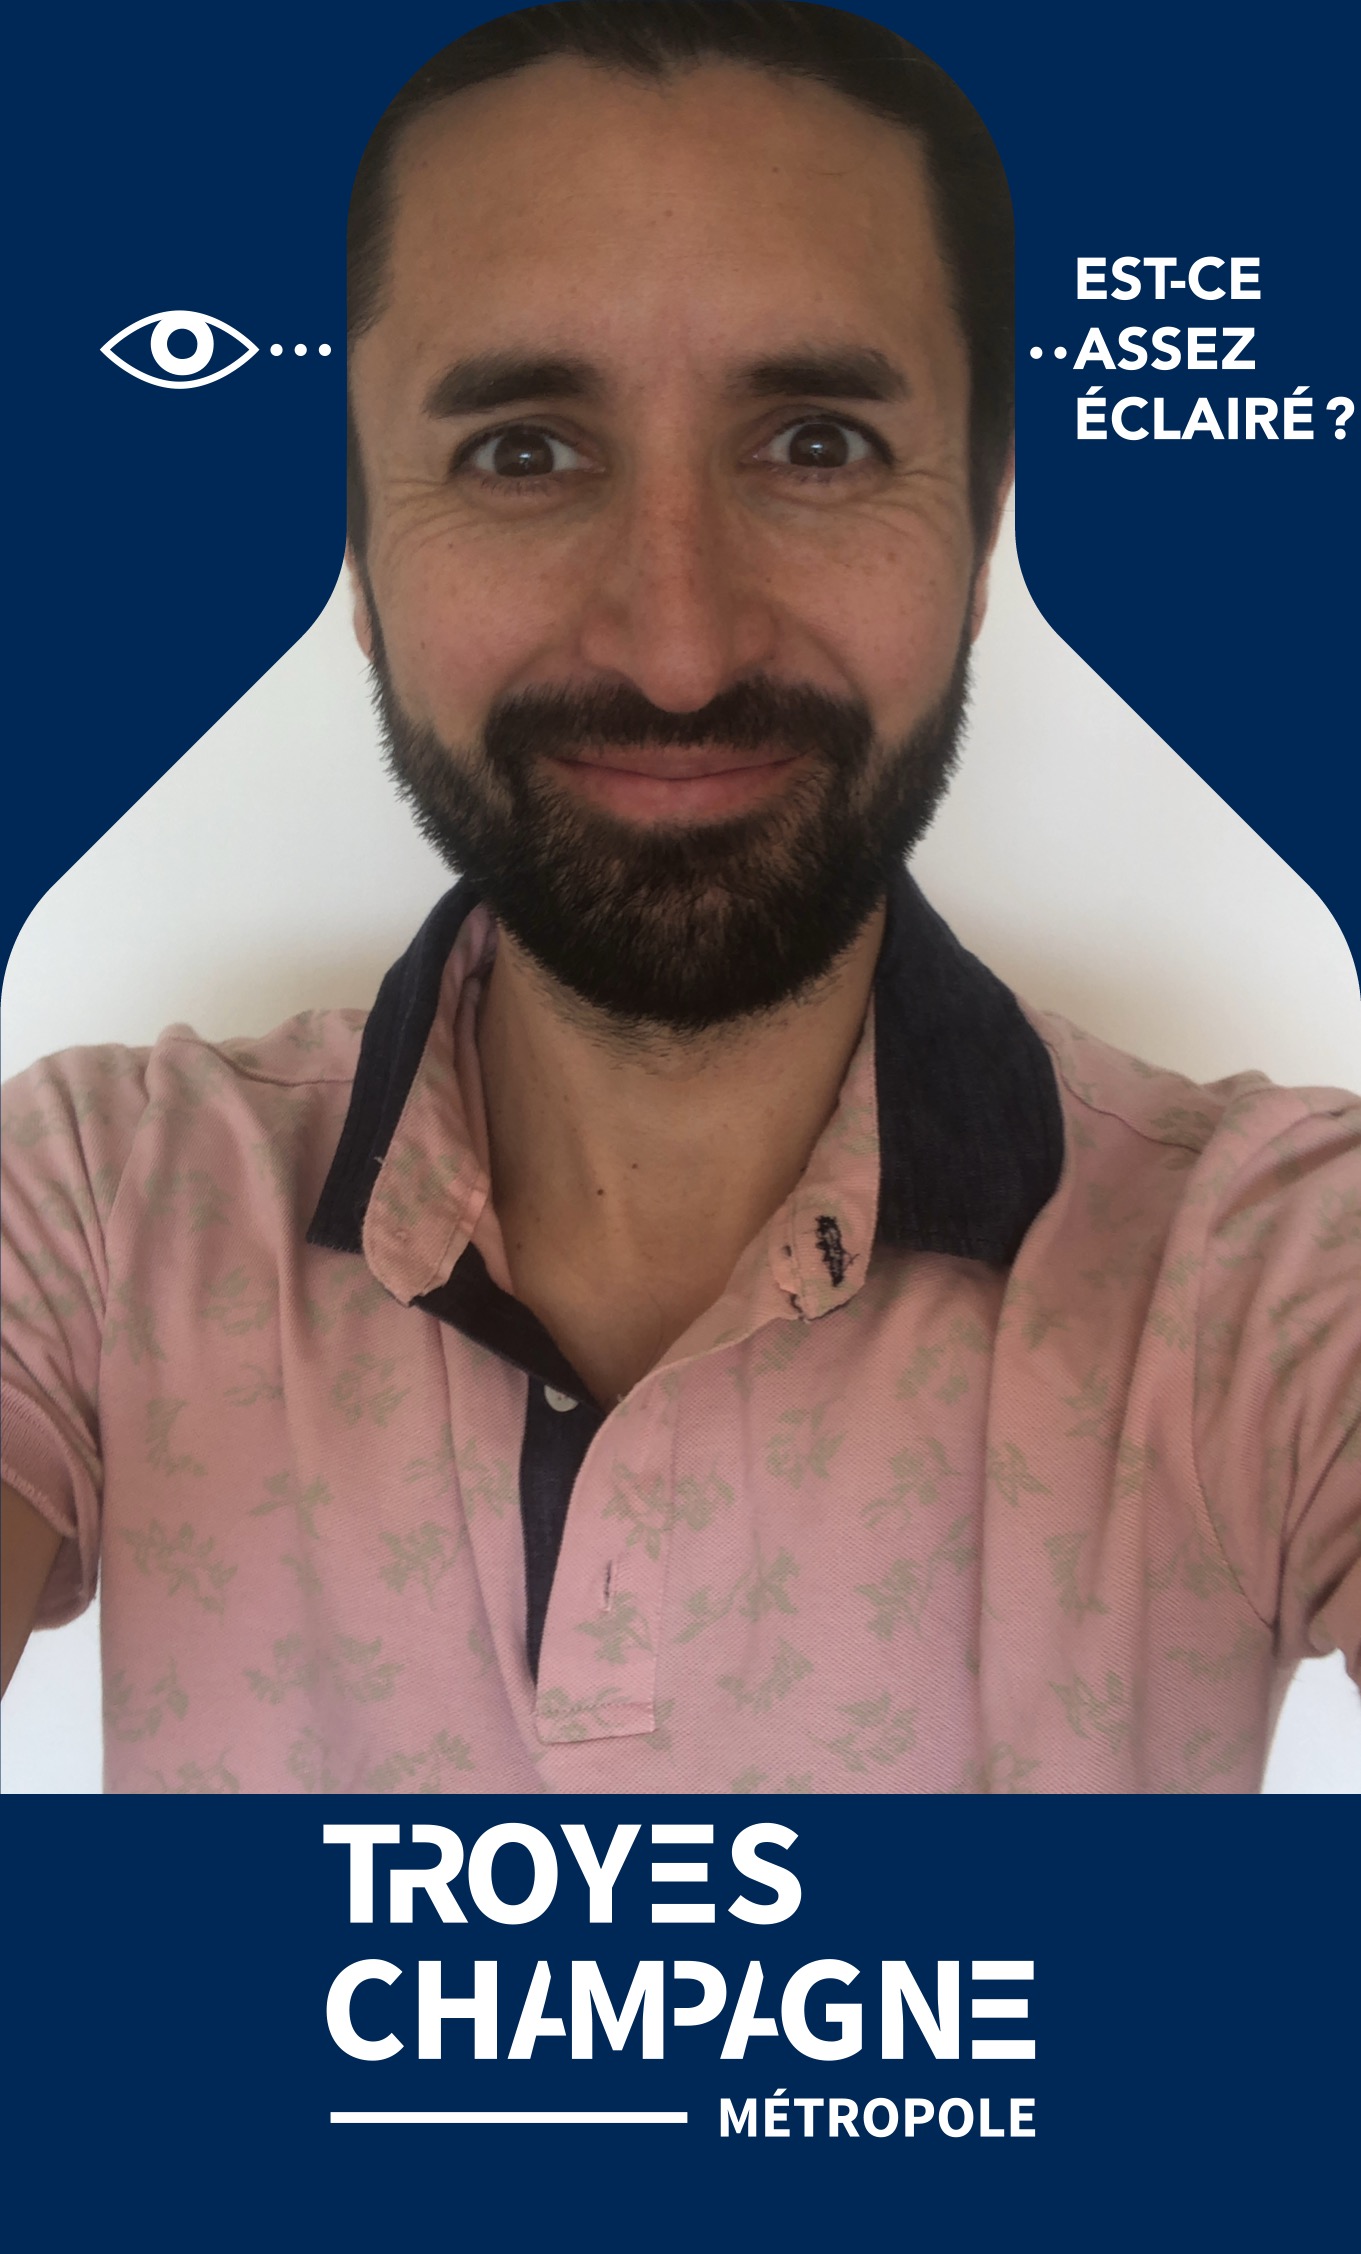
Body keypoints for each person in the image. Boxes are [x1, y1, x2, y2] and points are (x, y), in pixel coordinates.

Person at [2, 2, 1357, 1794]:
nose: (677, 647)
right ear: (355, 553)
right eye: (522, 451)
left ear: (979, 533)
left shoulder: (1277, 1271)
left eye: (817, 444)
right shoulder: (94, 1209)